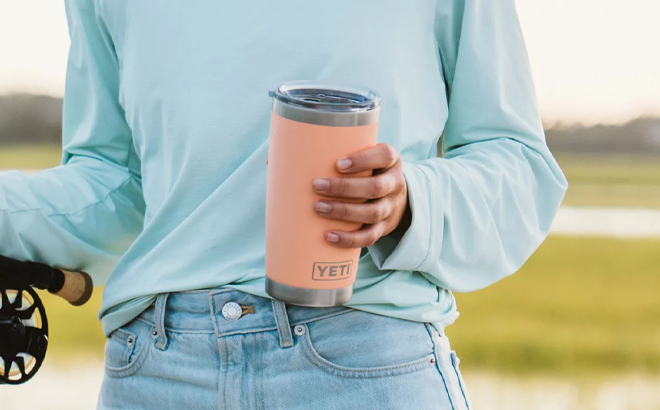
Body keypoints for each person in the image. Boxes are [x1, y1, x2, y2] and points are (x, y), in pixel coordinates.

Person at [0, 0, 567, 409]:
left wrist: (410, 199)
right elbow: (114, 186)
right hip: (155, 374)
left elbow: (519, 165)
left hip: (364, 366)